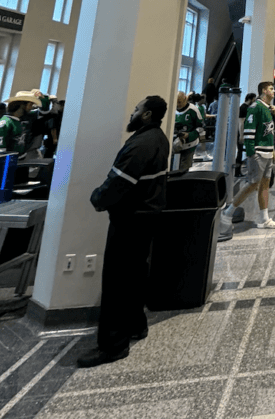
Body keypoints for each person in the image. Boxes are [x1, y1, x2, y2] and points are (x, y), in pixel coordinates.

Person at [77, 95, 169, 368]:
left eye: (137, 109)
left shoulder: (141, 144)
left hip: (131, 219)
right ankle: (135, 324)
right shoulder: (158, 138)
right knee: (135, 274)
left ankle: (113, 344)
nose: (133, 112)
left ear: (147, 114)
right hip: (146, 216)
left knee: (117, 282)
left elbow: (119, 182)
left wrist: (98, 199)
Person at [226, 81, 275, 230]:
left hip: (268, 152)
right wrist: (251, 153)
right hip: (258, 152)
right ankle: (227, 213)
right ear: (264, 91)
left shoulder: (268, 108)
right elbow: (248, 133)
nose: (273, 91)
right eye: (271, 89)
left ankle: (264, 218)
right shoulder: (255, 108)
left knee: (264, 185)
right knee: (252, 184)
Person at [172, 91, 201, 173]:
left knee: (184, 169)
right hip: (174, 143)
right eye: (176, 102)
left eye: (179, 102)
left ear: (185, 99)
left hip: (189, 144)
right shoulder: (172, 109)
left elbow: (201, 128)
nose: (178, 104)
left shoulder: (193, 110)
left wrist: (189, 135)